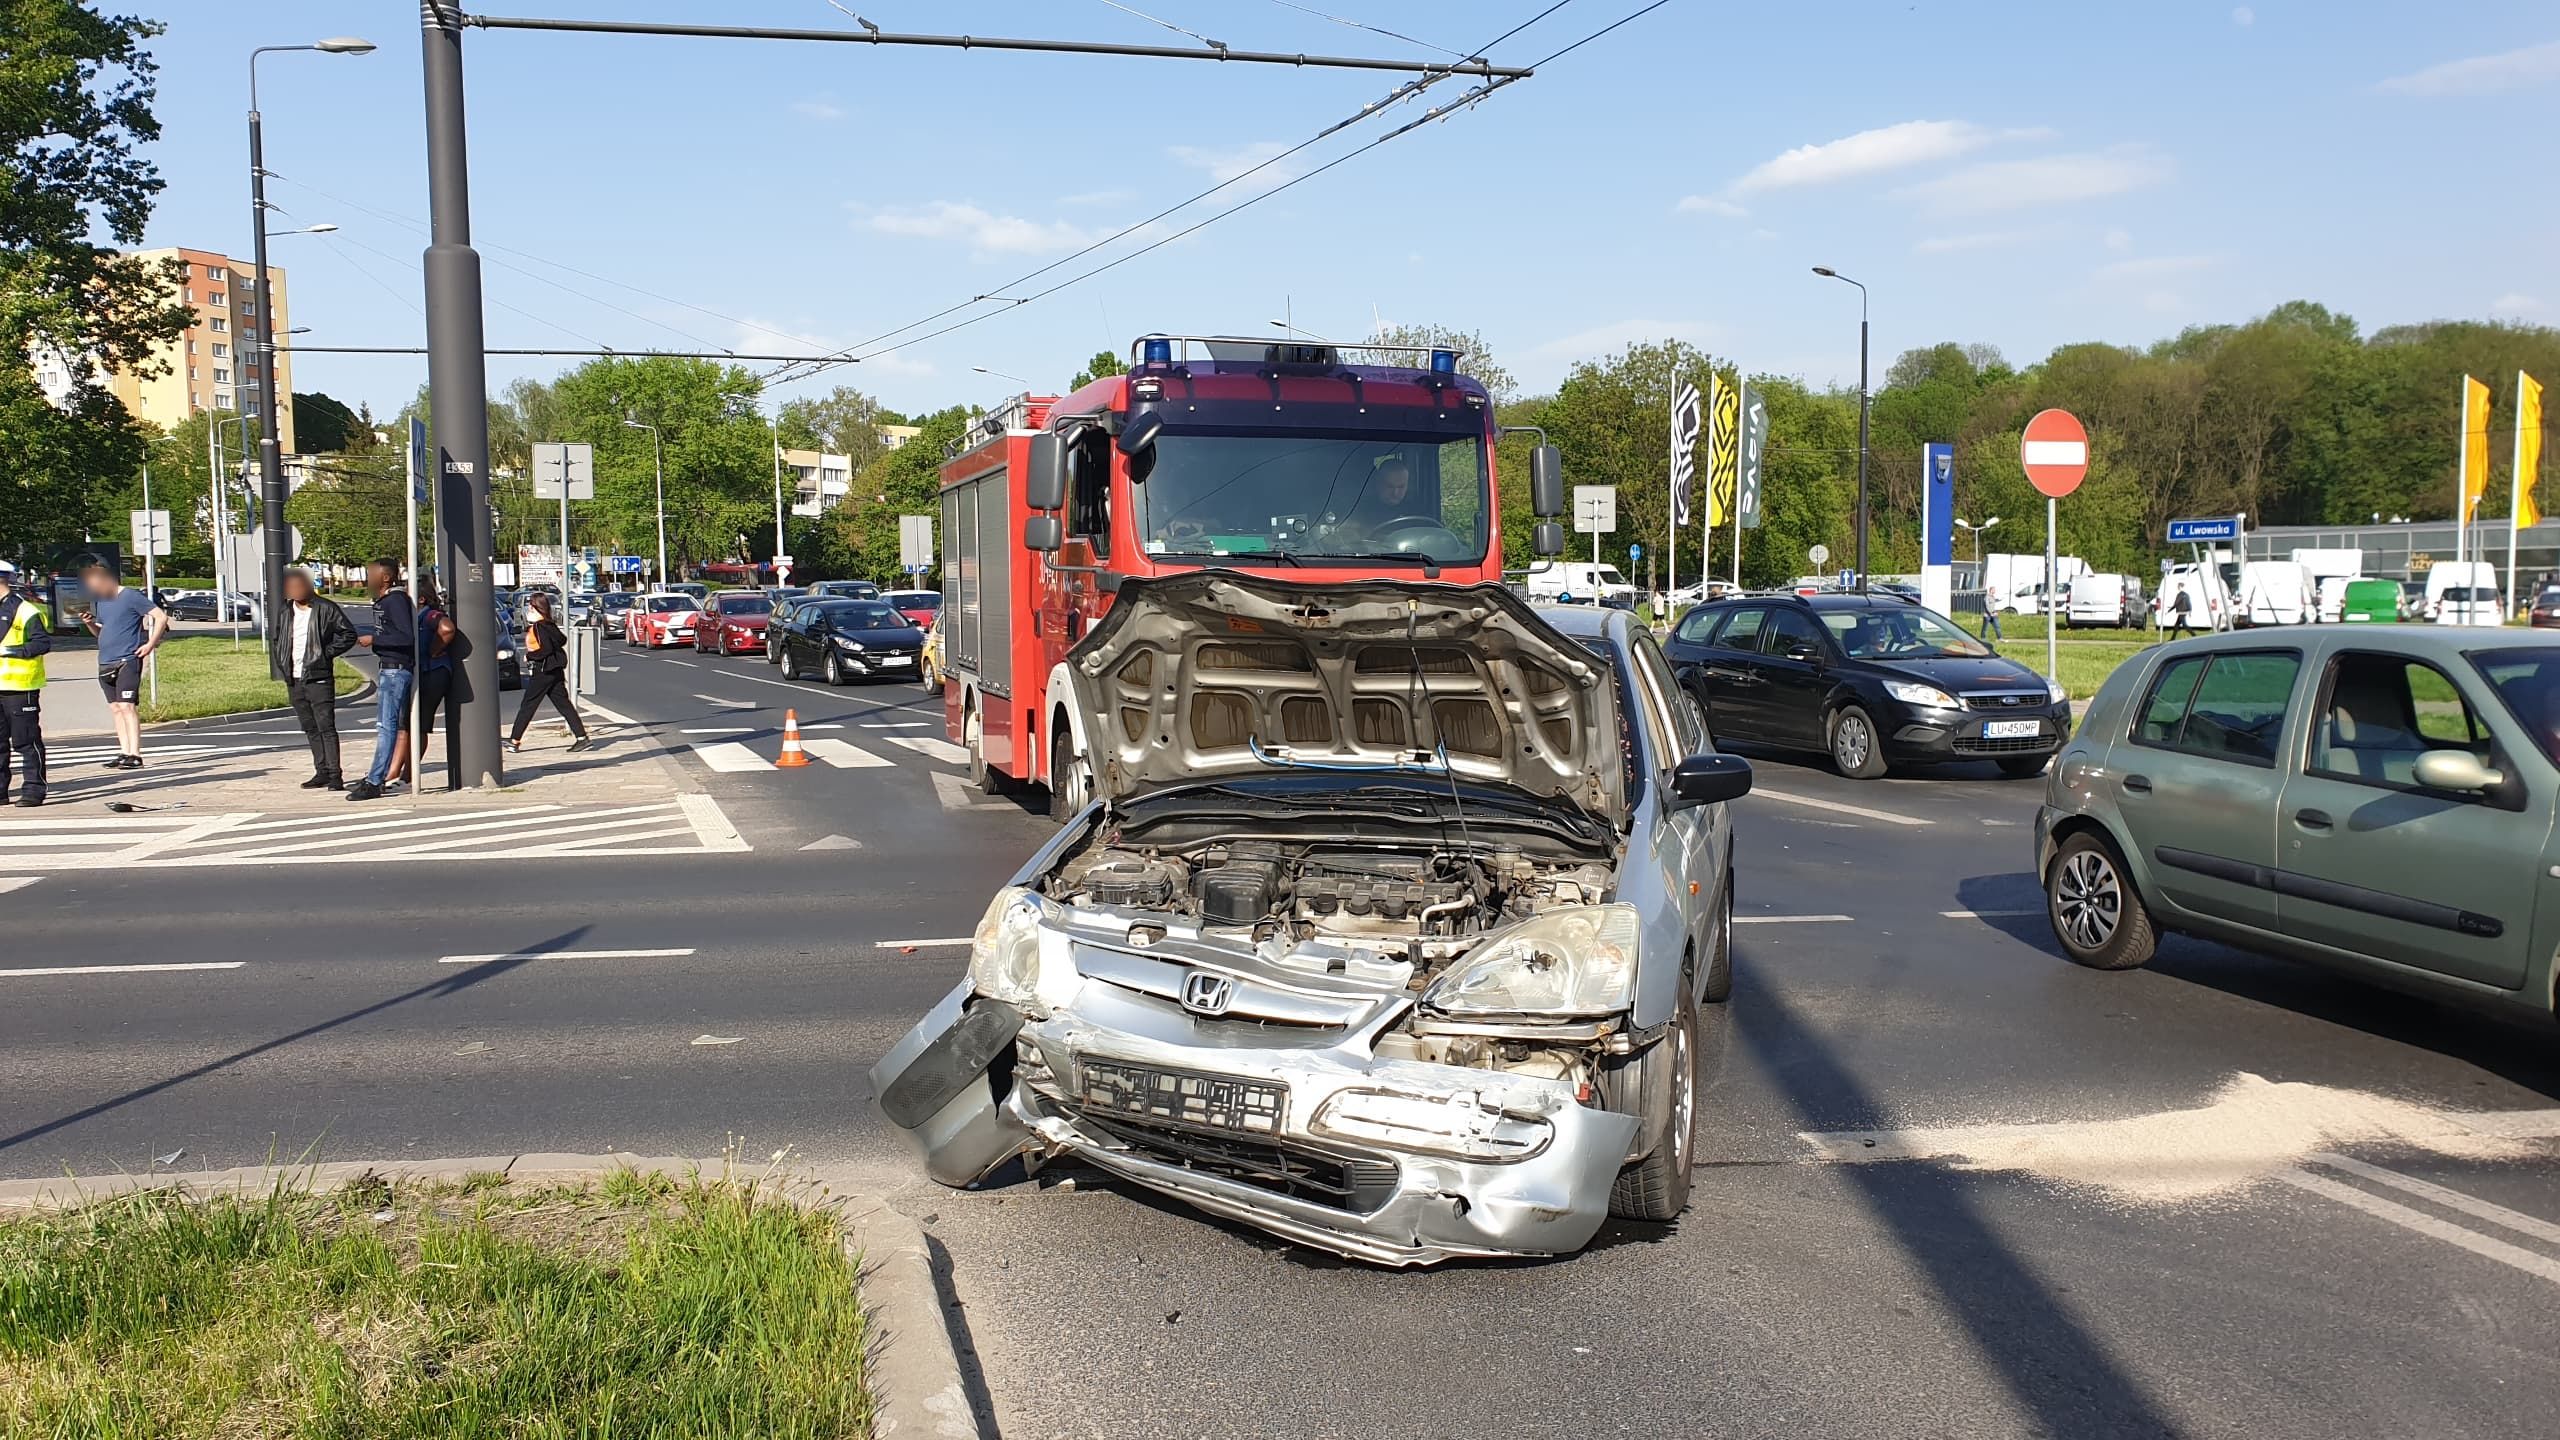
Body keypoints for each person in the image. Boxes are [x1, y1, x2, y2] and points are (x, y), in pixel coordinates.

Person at [269, 569, 358, 790]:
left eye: (299, 585)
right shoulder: (285, 610)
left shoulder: (325, 608)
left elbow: (348, 634)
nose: (295, 590)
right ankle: (321, 771)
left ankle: (335, 775)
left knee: (326, 726)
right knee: (309, 727)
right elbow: (278, 637)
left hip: (318, 677)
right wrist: (282, 661)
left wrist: (324, 653)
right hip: (294, 677)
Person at [78, 562, 167, 769]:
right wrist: (90, 623)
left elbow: (161, 617)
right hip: (106, 660)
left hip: (128, 659)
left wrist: (149, 644)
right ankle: (124, 751)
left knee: (127, 706)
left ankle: (135, 754)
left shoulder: (131, 596)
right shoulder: (101, 602)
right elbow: (102, 631)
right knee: (116, 708)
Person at [346, 560, 417, 802]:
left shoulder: (395, 601)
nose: (367, 578)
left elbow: (405, 636)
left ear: (385, 577)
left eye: (371, 574)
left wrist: (374, 640)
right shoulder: (385, 602)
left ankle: (375, 781)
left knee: (386, 727)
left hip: (396, 670)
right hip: (389, 668)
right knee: (387, 726)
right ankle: (377, 776)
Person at [508, 593, 592, 753]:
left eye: (531, 606)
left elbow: (545, 649)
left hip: (543, 670)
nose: (529, 610)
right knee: (564, 704)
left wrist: (530, 656)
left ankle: (514, 740)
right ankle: (582, 738)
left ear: (536, 608)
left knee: (528, 705)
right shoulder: (550, 625)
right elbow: (562, 640)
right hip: (556, 670)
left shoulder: (539, 627)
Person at [0, 561, 50, 807]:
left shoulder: (26, 610)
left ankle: (34, 789)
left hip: (20, 687)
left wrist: (10, 650)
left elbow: (42, 644)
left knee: (25, 741)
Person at [413, 579, 461, 791]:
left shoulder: (430, 615)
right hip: (425, 673)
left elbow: (447, 628)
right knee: (412, 724)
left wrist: (435, 649)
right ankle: (406, 771)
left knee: (419, 724)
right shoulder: (417, 616)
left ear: (421, 598)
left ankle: (408, 773)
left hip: (434, 672)